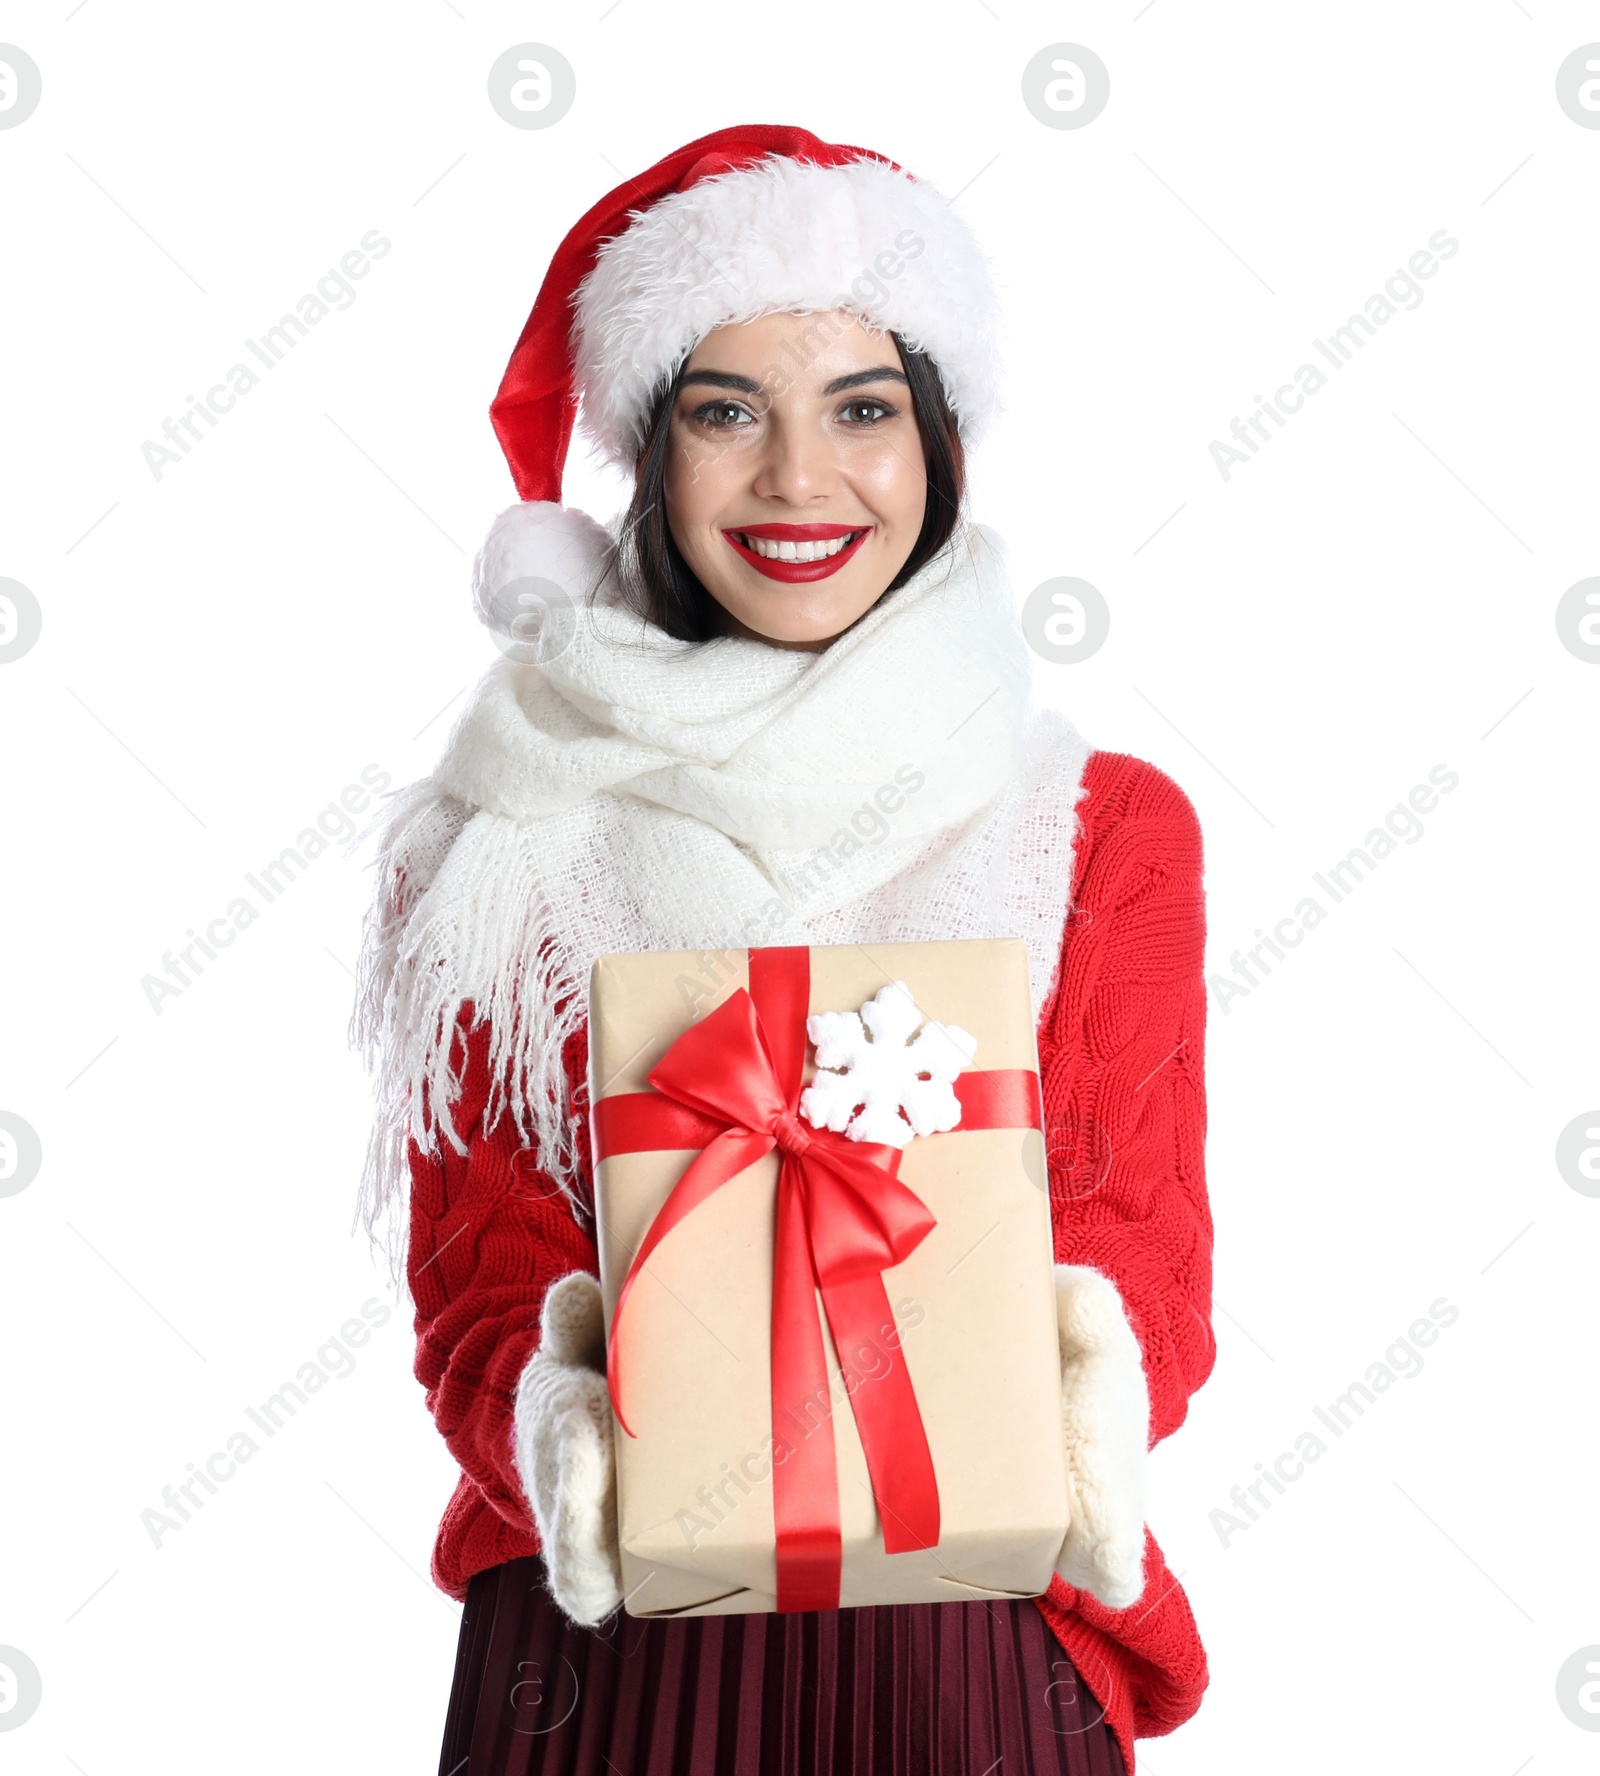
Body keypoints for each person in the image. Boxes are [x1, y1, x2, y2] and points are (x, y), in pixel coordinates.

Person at [354, 124, 1216, 1776]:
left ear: (938, 443)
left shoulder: (1097, 829)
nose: (798, 481)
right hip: (611, 1653)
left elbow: (1145, 1261)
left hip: (975, 1638)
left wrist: (1029, 1362)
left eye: (863, 410)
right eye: (726, 412)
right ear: (651, 458)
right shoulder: (493, 846)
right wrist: (591, 1428)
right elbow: (474, 1288)